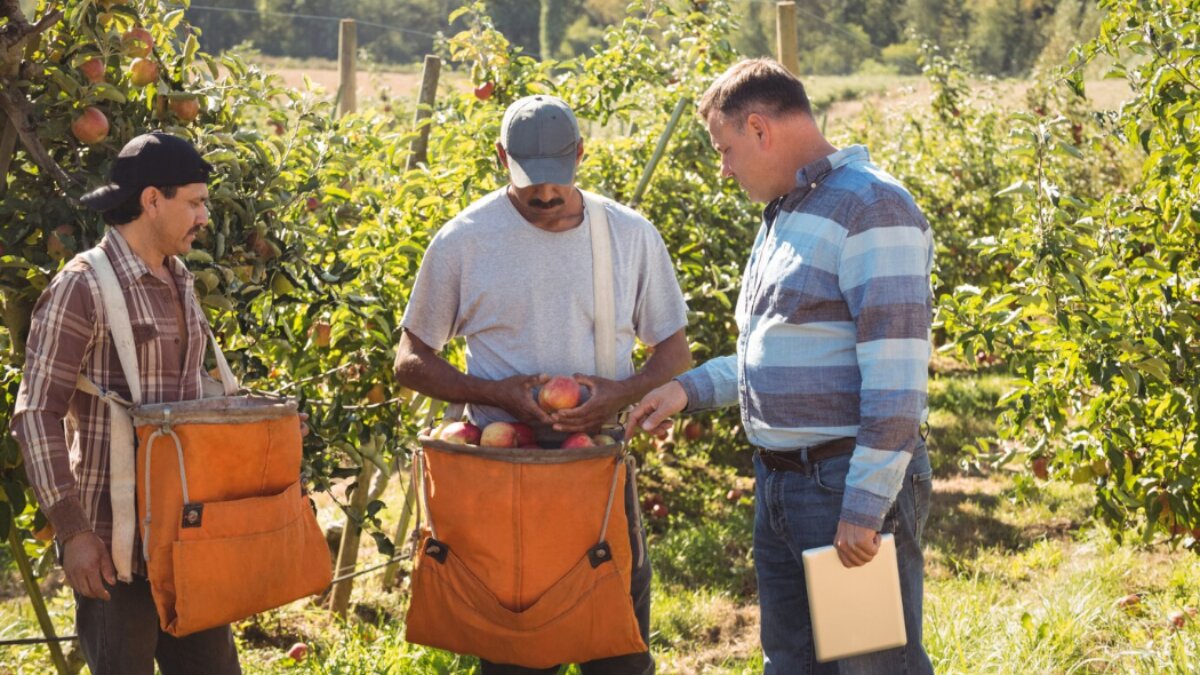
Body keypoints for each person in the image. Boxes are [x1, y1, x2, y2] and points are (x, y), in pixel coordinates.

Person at [627, 58, 935, 674]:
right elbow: (770, 350)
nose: (724, 168)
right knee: (792, 663)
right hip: (782, 488)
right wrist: (685, 392)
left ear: (761, 129)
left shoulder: (871, 209)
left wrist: (864, 505)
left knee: (870, 666)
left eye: (725, 148)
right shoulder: (789, 214)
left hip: (841, 484)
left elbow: (897, 379)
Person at [394, 94, 690, 674]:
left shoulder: (628, 235)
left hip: (596, 472)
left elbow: (673, 352)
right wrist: (495, 394)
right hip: (503, 479)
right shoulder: (464, 240)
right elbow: (410, 359)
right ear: (500, 157)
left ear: (581, 155)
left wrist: (616, 392)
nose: (547, 195)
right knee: (516, 655)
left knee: (618, 651)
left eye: (558, 179)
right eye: (531, 182)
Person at [12, 132, 243, 674]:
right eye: (194, 202)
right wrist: (72, 530)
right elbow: (36, 412)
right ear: (151, 200)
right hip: (114, 556)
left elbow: (187, 400)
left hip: (185, 543)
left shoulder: (178, 278)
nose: (204, 217)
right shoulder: (83, 286)